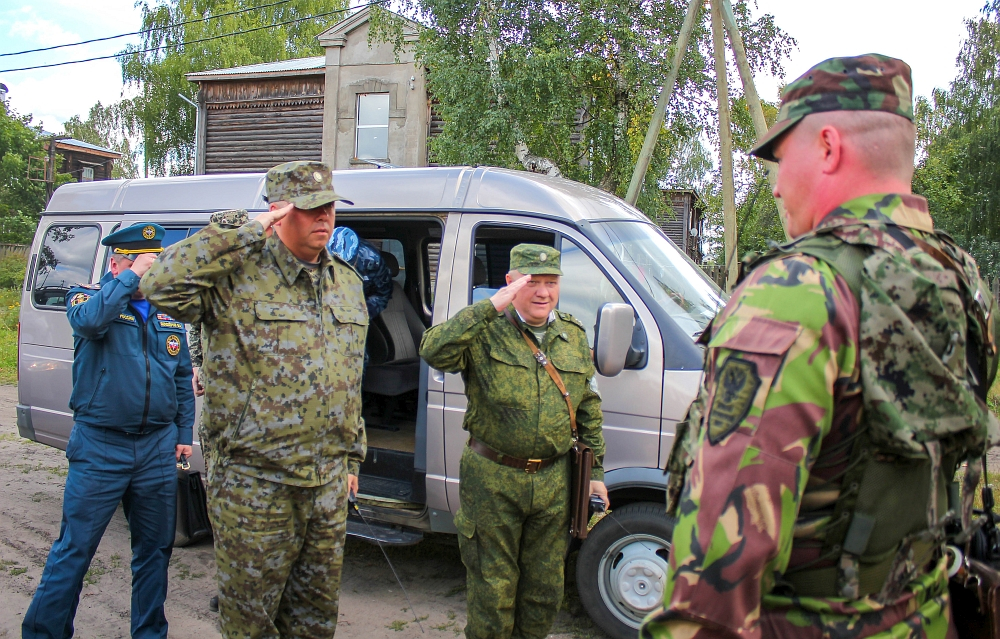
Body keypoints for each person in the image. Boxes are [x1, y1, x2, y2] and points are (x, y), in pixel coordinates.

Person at [640, 54, 1000, 639]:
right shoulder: (959, 279)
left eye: (782, 160)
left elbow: (718, 575)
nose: (778, 185)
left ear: (829, 147)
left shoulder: (796, 291)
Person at [142, 161, 367, 639]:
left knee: (314, 623)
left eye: (329, 206)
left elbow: (348, 378)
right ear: (278, 212)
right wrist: (242, 231)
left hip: (325, 486)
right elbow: (158, 285)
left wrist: (352, 458)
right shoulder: (234, 273)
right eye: (310, 209)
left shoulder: (345, 283)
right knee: (251, 625)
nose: (324, 217)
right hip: (254, 485)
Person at [419, 244, 608, 639]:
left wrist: (596, 474)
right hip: (492, 479)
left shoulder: (572, 336)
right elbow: (433, 350)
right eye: (531, 282)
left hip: (555, 482)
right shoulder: (484, 331)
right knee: (493, 590)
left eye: (551, 283)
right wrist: (490, 307)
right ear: (510, 283)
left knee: (544, 591)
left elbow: (588, 405)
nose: (542, 292)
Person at [22, 223, 195, 639]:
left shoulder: (166, 314)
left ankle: (149, 633)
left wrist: (183, 434)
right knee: (75, 549)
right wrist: (130, 277)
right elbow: (88, 323)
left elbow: (181, 378)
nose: (150, 275)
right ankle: (44, 632)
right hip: (101, 445)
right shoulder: (87, 297)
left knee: (154, 552)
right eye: (141, 264)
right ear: (117, 262)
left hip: (156, 448)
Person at [184, 208, 249, 616]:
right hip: (218, 418)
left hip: (255, 418)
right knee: (220, 503)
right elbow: (194, 325)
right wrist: (197, 364)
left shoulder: (260, 283)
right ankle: (229, 587)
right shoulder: (209, 283)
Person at [328, 225, 393, 320]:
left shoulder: (373, 261)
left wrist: (361, 314)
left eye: (347, 266)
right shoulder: (314, 256)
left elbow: (382, 294)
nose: (342, 271)